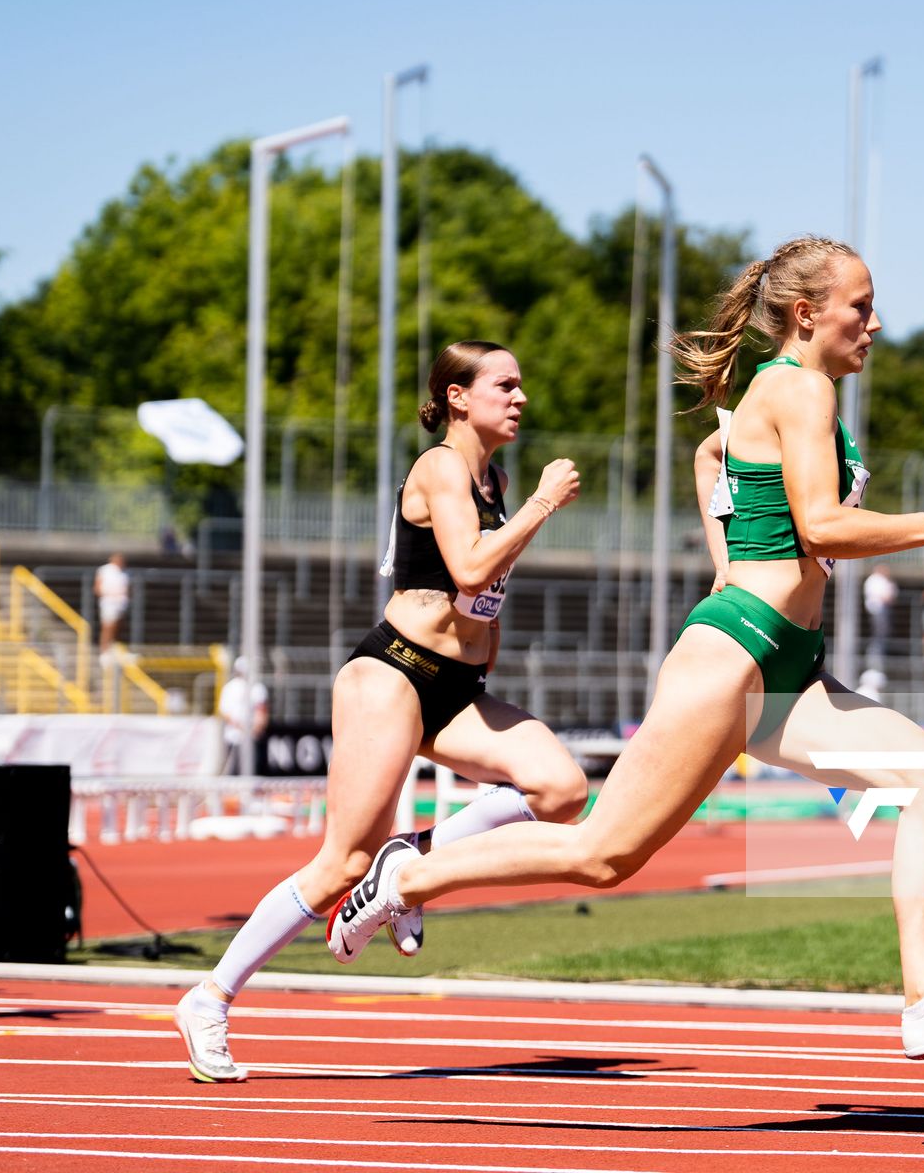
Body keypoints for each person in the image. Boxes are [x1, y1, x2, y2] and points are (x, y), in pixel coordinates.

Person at [327, 237, 924, 1060]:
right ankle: (406, 876)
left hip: (787, 667)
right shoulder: (800, 388)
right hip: (733, 659)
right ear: (807, 315)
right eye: (862, 307)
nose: (875, 324)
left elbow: (711, 457)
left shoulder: (786, 397)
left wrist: (730, 561)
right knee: (601, 854)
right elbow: (822, 527)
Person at [173, 340, 588, 1084]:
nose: (521, 398)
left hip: (456, 691)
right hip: (392, 673)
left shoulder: (494, 478)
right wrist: (543, 506)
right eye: (505, 385)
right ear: (458, 397)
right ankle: (210, 998)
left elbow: (480, 594)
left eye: (523, 386)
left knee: (560, 789)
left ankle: (414, 859)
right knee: (342, 863)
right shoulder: (441, 467)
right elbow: (467, 568)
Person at [216, 657, 268, 775]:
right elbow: (226, 714)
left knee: (250, 771)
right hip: (236, 737)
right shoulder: (233, 687)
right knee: (236, 771)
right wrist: (247, 729)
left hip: (248, 736)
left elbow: (261, 713)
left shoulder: (255, 687)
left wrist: (252, 729)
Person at [94, 552, 130, 654]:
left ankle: (112, 647)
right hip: (109, 603)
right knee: (107, 627)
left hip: (120, 603)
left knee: (117, 627)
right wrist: (110, 595)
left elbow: (126, 588)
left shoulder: (123, 572)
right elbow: (97, 588)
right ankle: (104, 650)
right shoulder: (104, 570)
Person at [862, 563, 896, 665]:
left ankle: (878, 653)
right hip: (877, 609)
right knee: (878, 635)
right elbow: (882, 596)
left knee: (882, 634)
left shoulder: (883, 580)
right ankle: (875, 655)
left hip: (882, 609)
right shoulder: (874, 579)